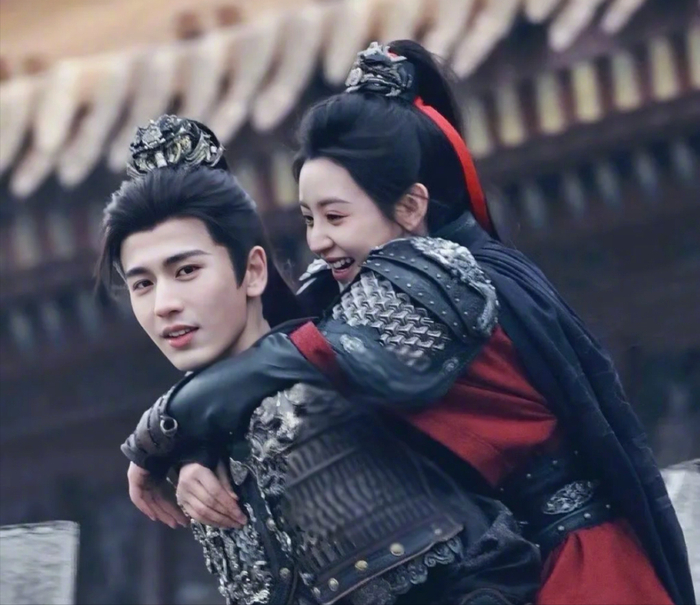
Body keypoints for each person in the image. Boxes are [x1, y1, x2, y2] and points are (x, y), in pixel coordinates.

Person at [119, 42, 695, 605]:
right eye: (308, 219)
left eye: (336, 216)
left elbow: (292, 357)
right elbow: (276, 356)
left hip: (575, 568)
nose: (317, 240)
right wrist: (196, 448)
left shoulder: (436, 273)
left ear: (411, 207)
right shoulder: (355, 287)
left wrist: (159, 434)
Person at [102, 115, 541, 605]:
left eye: (186, 270)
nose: (164, 304)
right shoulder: (202, 447)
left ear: (252, 270)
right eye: (143, 284)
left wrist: (167, 429)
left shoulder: (339, 372)